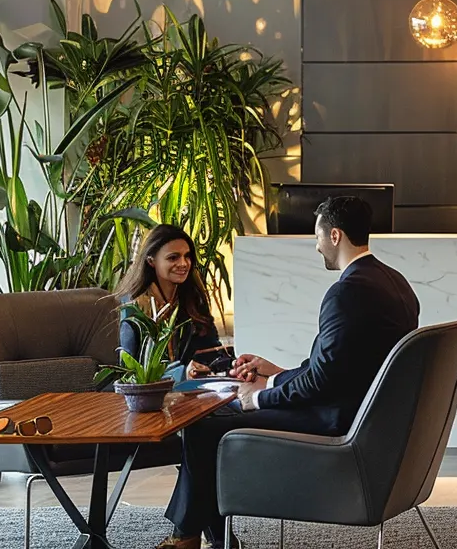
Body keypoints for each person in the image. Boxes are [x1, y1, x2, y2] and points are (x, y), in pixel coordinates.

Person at [156, 196, 420, 549]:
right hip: (365, 415)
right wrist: (277, 374)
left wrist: (259, 398)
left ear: (335, 236)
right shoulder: (394, 282)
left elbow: (325, 380)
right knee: (212, 421)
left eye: (318, 236)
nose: (316, 246)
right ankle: (210, 538)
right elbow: (340, 367)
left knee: (204, 427)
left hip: (338, 422)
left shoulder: (347, 292)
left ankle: (188, 539)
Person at [113, 224, 233, 381]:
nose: (183, 263)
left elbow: (210, 350)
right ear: (151, 261)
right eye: (173, 257)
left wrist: (233, 364)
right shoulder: (133, 307)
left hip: (197, 392)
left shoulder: (191, 297)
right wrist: (182, 373)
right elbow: (130, 373)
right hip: (151, 397)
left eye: (187, 256)